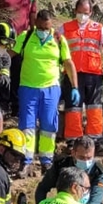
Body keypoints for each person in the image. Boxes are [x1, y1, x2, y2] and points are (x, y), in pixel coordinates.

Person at [14, 9, 79, 171]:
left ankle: (46, 160)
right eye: (41, 28)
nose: (44, 31)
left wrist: (75, 87)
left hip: (51, 88)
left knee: (49, 124)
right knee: (26, 124)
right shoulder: (26, 37)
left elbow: (68, 63)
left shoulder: (59, 39)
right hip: (28, 87)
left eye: (47, 28)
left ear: (51, 25)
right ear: (36, 23)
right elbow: (10, 54)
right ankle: (26, 160)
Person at [59, 0, 103, 143]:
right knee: (73, 107)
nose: (82, 15)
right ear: (75, 11)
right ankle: (73, 140)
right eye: (79, 12)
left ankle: (94, 139)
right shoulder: (65, 27)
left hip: (93, 74)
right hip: (73, 74)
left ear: (91, 12)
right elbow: (53, 44)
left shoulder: (98, 28)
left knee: (94, 106)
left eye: (85, 12)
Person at [0, 0, 38, 113]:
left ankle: (16, 105)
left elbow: (33, 19)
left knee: (17, 73)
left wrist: (32, 39)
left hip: (20, 42)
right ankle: (2, 104)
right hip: (1, 41)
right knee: (1, 71)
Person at [34, 136, 103, 204]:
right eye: (82, 157)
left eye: (89, 158)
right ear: (73, 153)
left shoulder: (99, 172)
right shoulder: (60, 166)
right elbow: (42, 189)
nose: (86, 161)